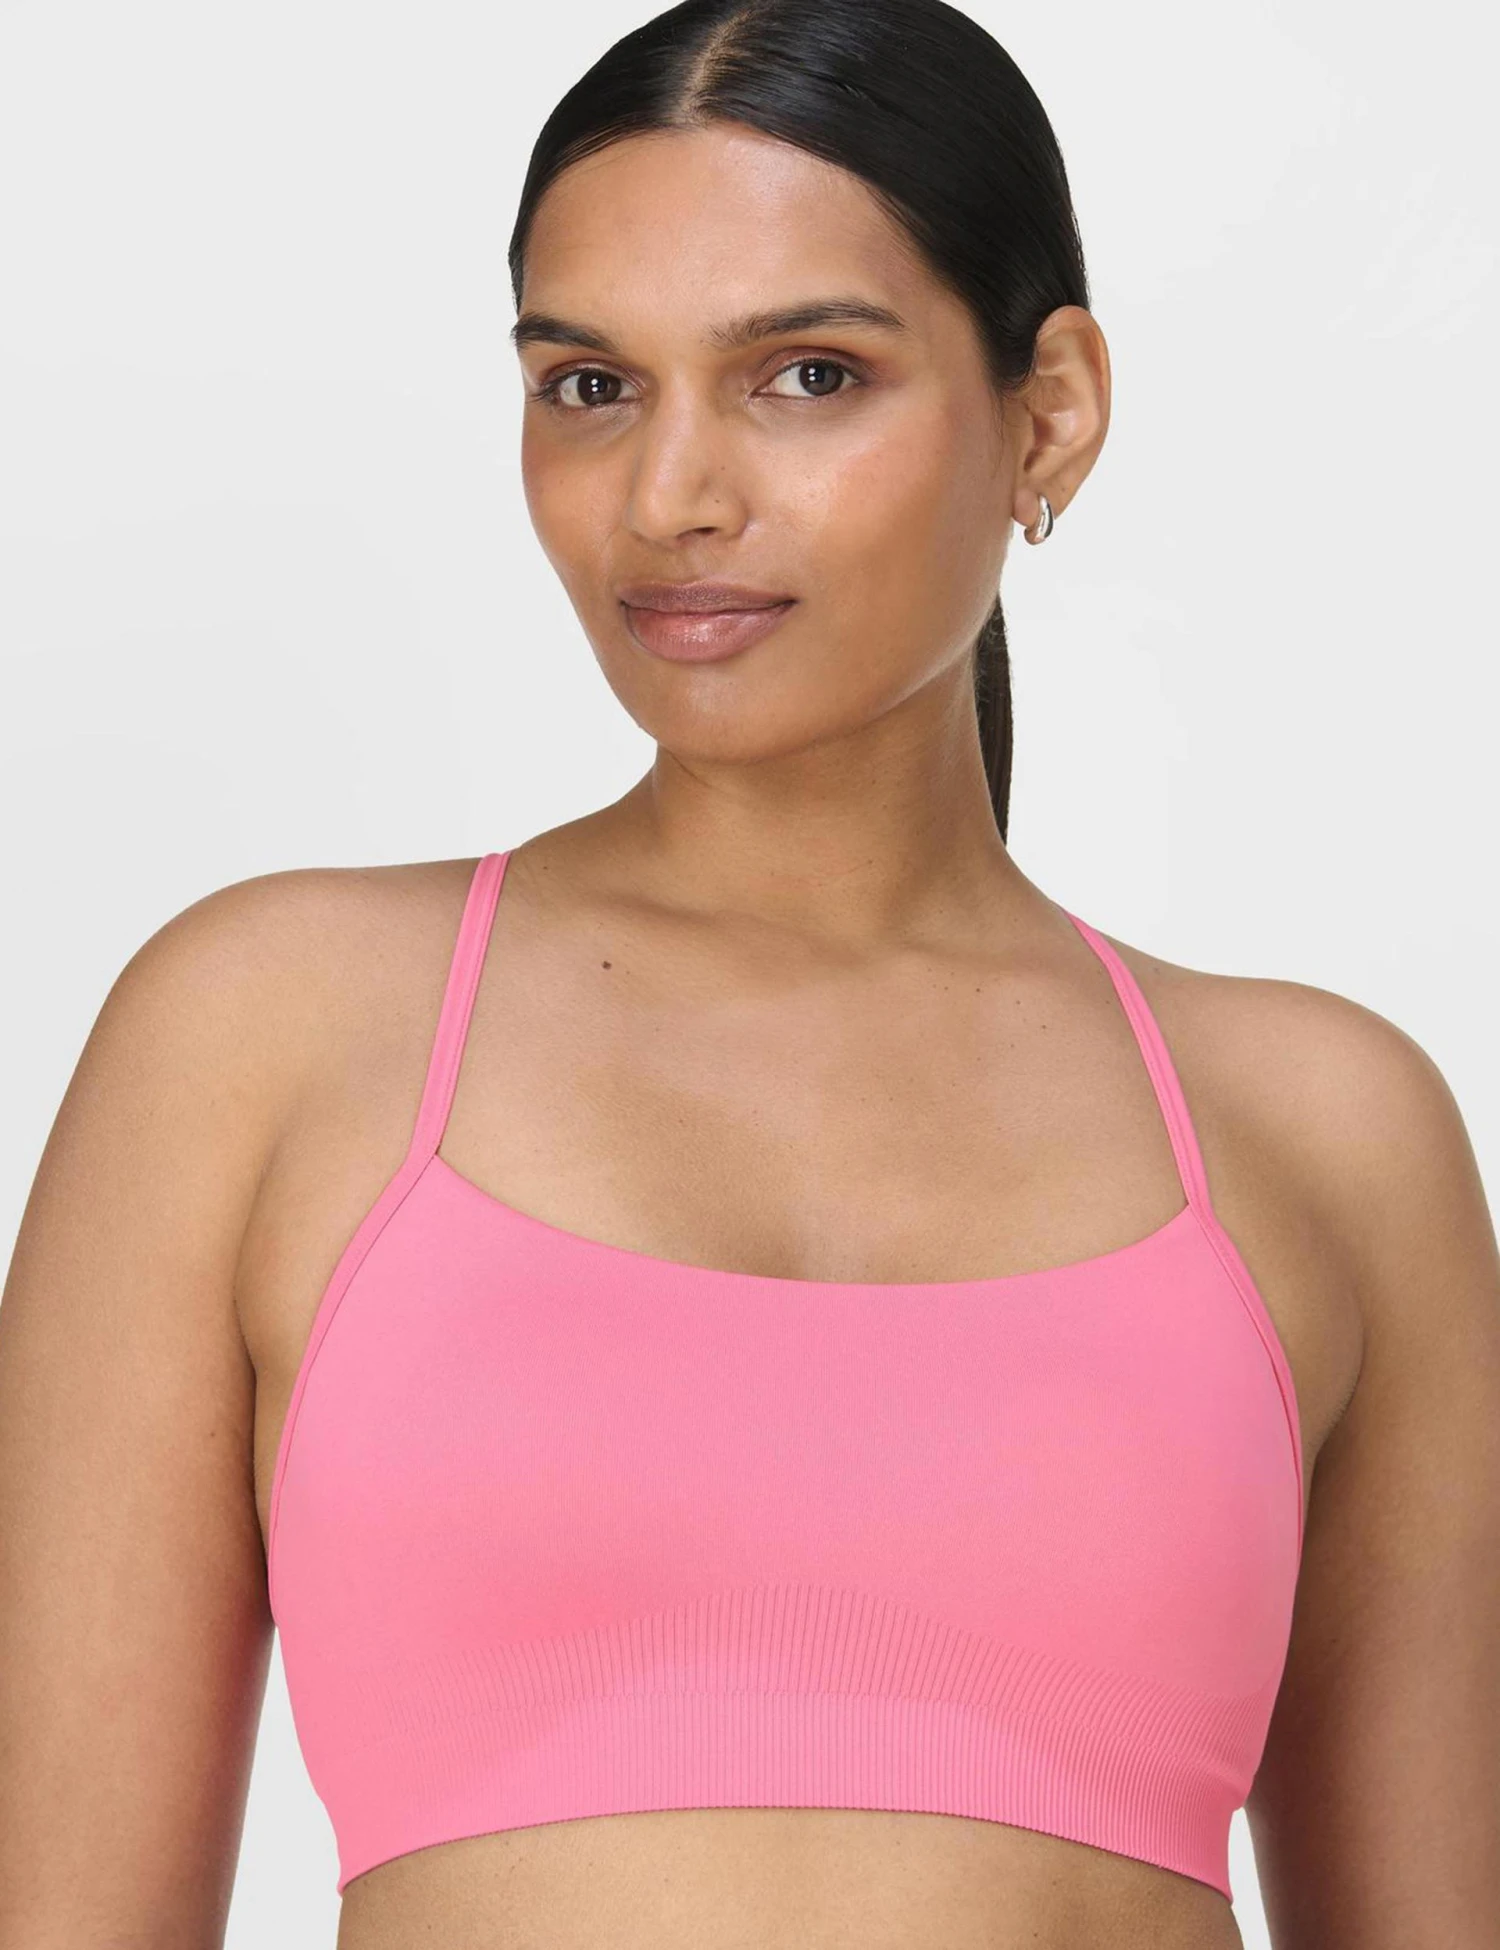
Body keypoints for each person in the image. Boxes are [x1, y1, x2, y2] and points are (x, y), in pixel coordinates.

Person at [2, 1, 1497, 1945]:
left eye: (806, 374)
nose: (669, 497)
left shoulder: (1326, 1131)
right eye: (590, 386)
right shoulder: (261, 1035)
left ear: (1050, 411)